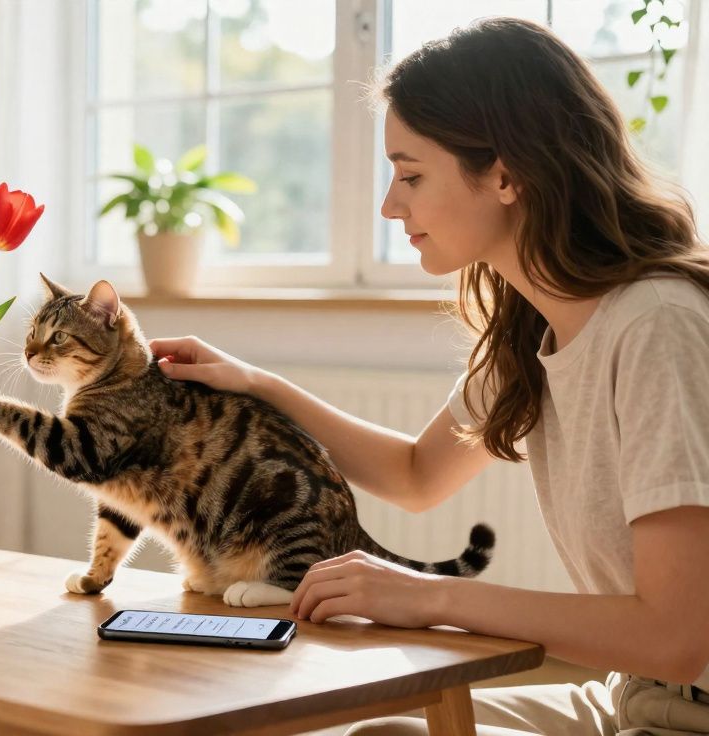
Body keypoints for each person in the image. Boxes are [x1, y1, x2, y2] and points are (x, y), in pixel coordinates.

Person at [148, 16, 709, 736]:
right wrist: (256, 384)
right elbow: (416, 474)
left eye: (411, 175)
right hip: (635, 697)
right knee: (374, 720)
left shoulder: (657, 324)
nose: (390, 205)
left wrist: (430, 597)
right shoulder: (533, 328)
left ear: (506, 174)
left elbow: (674, 635)